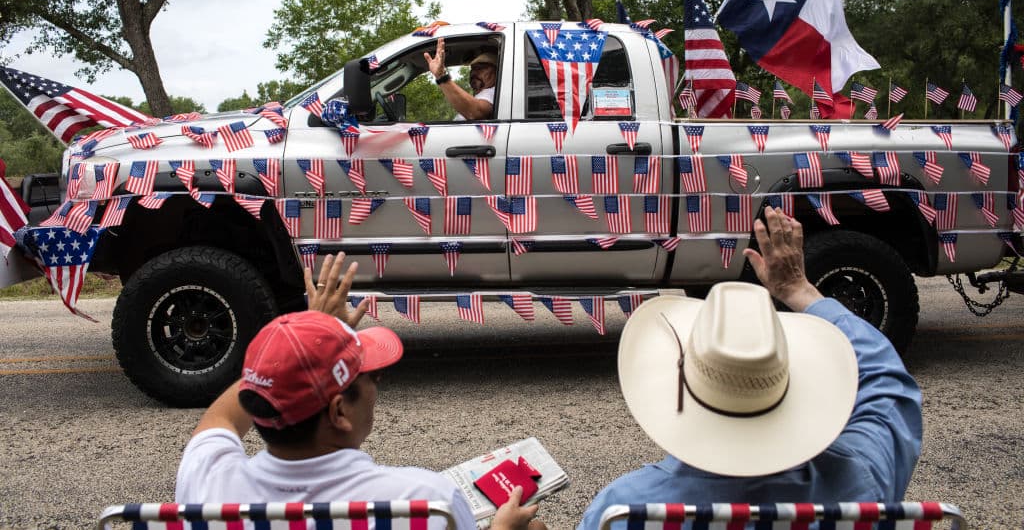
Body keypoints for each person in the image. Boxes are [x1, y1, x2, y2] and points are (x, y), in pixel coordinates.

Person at [577, 207, 923, 530]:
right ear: (791, 385)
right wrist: (800, 291)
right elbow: (887, 383)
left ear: (679, 389)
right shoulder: (859, 484)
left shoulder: (623, 510)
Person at [176, 253, 544, 530]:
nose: (377, 382)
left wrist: (298, 342)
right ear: (338, 412)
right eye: (368, 376)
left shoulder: (211, 484)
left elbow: (220, 417)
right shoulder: (424, 502)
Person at [425, 37, 498, 121]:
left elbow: (475, 112)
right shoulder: (480, 97)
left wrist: (441, 76)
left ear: (496, 72)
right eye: (472, 69)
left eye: (480, 68)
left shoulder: (494, 92)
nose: (474, 73)